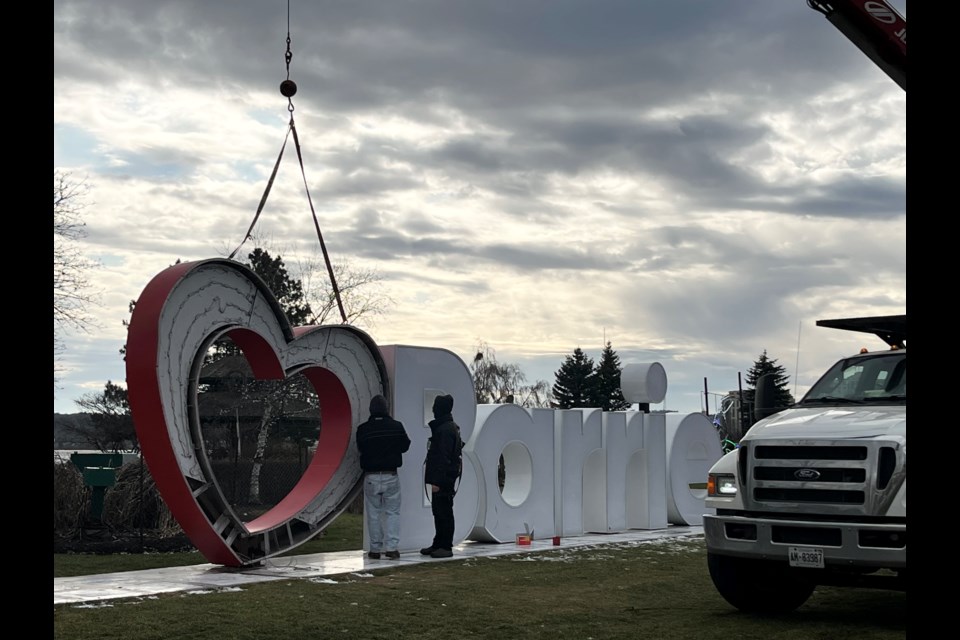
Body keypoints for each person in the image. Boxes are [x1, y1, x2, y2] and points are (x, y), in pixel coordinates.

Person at [356, 394, 411, 560]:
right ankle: (392, 548)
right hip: (391, 475)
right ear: (386, 409)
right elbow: (405, 446)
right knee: (392, 513)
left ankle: (375, 549)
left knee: (373, 514)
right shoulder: (396, 426)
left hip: (371, 476)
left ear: (371, 410)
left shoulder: (363, 429)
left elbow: (360, 448)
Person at [420, 393, 461, 559]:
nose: (433, 410)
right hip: (445, 478)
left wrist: (437, 481)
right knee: (439, 511)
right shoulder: (449, 428)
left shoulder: (445, 430)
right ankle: (438, 542)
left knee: (444, 511)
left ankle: (445, 545)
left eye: (435, 407)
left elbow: (443, 457)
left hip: (443, 479)